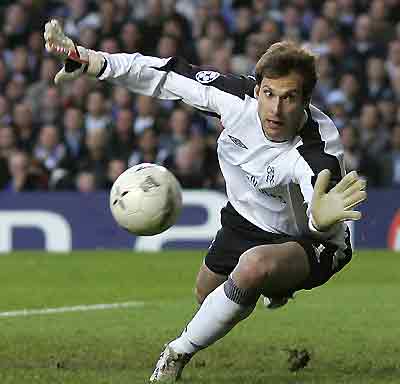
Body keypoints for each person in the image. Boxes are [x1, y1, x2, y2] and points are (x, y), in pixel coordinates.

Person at [44, 19, 367, 382]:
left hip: (310, 240)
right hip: (246, 220)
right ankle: (274, 284)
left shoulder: (317, 149)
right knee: (206, 294)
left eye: (289, 97)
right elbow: (166, 75)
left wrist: (319, 221)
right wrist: (91, 61)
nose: (275, 109)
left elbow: (319, 207)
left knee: (254, 267)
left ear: (306, 100)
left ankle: (175, 354)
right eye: (269, 94)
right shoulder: (234, 99)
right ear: (257, 89)